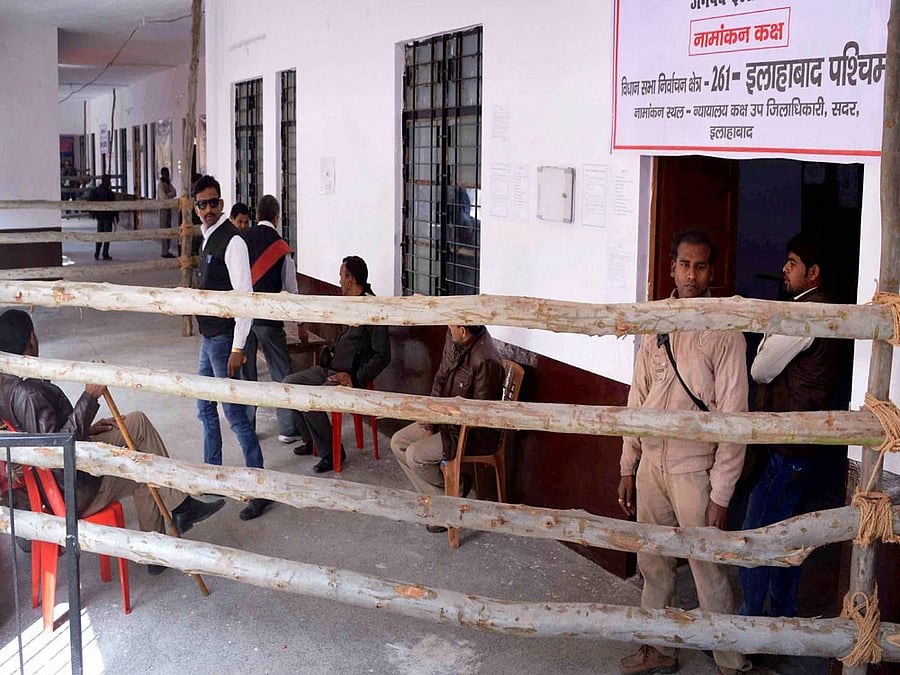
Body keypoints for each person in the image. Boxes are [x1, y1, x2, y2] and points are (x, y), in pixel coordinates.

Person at [617, 230, 756, 675]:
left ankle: (730, 660)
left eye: (700, 266)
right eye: (684, 265)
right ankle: (659, 648)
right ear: (672, 267)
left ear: (711, 272)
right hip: (651, 462)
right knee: (652, 561)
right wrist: (628, 464)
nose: (691, 274)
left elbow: (734, 419)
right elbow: (636, 400)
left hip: (696, 466)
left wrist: (721, 494)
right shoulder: (657, 322)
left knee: (707, 567)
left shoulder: (724, 330)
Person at [0, 309, 224, 575]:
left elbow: (48, 434)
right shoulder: (27, 392)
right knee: (142, 465)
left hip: (65, 471)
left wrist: (90, 427)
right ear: (32, 339)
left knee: (136, 426)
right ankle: (167, 531)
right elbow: (56, 452)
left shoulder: (8, 385)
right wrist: (89, 398)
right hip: (71, 488)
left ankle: (173, 519)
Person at [739, 233, 844, 619]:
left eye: (794, 262)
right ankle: (782, 622)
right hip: (800, 445)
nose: (785, 268)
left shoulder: (807, 314)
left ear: (813, 273)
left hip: (786, 448)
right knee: (787, 539)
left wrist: (769, 329)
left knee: (759, 538)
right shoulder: (819, 308)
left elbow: (760, 369)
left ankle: (750, 628)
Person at [193, 175, 270, 521]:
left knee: (235, 415)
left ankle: (259, 487)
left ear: (221, 204)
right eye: (201, 204)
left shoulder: (233, 242)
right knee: (204, 408)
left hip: (226, 340)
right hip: (209, 339)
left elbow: (245, 298)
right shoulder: (207, 238)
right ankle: (214, 474)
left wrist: (239, 347)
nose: (207, 209)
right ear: (196, 208)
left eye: (212, 203)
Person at [390, 325, 503, 532]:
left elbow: (479, 415)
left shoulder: (486, 361)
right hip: (444, 420)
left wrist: (438, 420)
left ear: (462, 330)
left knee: (416, 455)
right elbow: (440, 379)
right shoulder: (454, 339)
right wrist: (430, 420)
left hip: (471, 433)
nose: (448, 328)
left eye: (452, 325)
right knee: (398, 442)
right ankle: (448, 499)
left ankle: (447, 506)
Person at [284, 256, 390, 473]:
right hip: (329, 369)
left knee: (312, 399)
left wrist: (355, 378)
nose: (339, 280)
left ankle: (333, 454)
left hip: (347, 376)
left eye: (341, 276)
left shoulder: (372, 308)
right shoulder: (349, 303)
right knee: (289, 384)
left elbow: (382, 355)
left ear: (350, 279)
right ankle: (313, 440)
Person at [240, 194, 304, 443]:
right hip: (269, 318)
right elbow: (292, 288)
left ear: (256, 216)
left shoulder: (242, 240)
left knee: (248, 375)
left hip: (245, 317)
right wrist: (300, 325)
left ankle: (247, 429)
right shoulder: (281, 247)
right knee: (281, 372)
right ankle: (287, 429)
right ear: (277, 217)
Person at [90, 174, 118, 261]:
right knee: (105, 235)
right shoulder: (106, 192)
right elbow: (114, 206)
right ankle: (103, 253)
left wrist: (93, 214)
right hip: (105, 217)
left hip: (103, 217)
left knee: (101, 235)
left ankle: (99, 253)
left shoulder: (98, 191)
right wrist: (116, 216)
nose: (110, 183)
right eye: (108, 181)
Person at [157, 167, 178, 258]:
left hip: (168, 208)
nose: (167, 175)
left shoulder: (168, 183)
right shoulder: (160, 184)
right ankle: (164, 251)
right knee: (164, 229)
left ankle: (167, 249)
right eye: (165, 173)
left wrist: (168, 194)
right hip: (163, 209)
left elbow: (174, 192)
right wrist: (169, 195)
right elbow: (163, 197)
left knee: (168, 228)